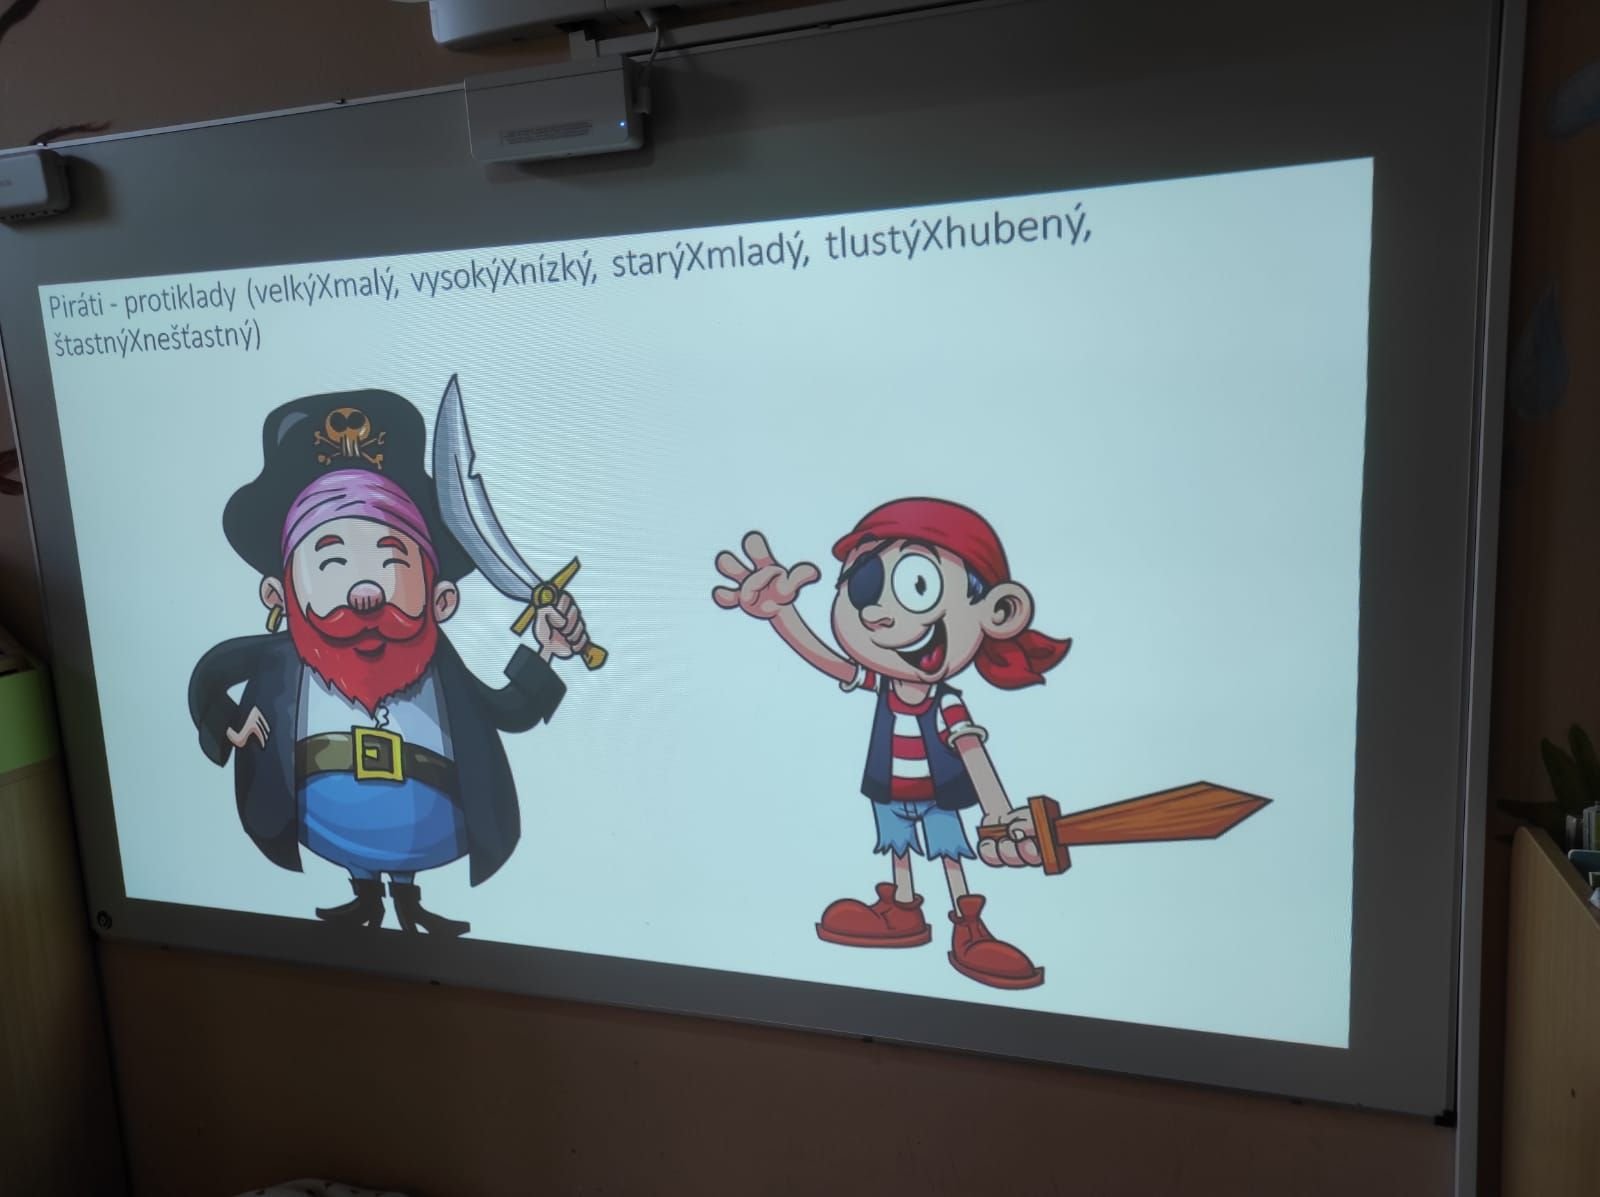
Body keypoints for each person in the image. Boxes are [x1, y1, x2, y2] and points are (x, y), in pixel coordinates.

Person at [189, 389, 588, 934]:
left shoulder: (439, 667)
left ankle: (407, 899)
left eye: (391, 562)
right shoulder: (279, 663)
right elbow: (210, 675)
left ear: (441, 599)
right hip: (323, 824)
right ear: (277, 593)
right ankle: (366, 896)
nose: (365, 593)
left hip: (434, 825)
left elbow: (509, 710)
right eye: (332, 561)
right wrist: (227, 724)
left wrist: (547, 651)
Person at [712, 498, 1069, 989]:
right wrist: (781, 615)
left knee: (949, 854)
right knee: (899, 849)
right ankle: (903, 909)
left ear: (998, 611)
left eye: (917, 585)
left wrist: (999, 815)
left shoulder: (946, 703)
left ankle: (967, 926)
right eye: (863, 587)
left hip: (940, 796)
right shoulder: (882, 686)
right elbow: (827, 660)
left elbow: (971, 751)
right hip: (889, 791)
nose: (878, 613)